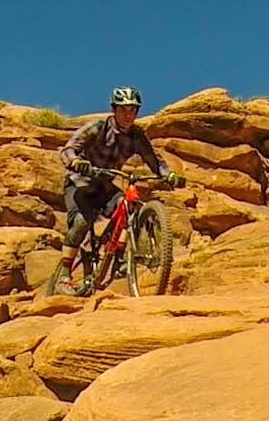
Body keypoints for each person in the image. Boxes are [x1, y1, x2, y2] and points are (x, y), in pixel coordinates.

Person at [52, 87, 184, 293]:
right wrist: (76, 161)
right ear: (114, 110)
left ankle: (120, 258)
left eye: (133, 110)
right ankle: (64, 275)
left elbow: (153, 160)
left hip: (105, 186)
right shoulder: (97, 127)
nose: (128, 115)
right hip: (79, 183)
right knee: (81, 222)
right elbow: (69, 149)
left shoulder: (136, 135)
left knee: (129, 206)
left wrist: (168, 175)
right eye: (123, 109)